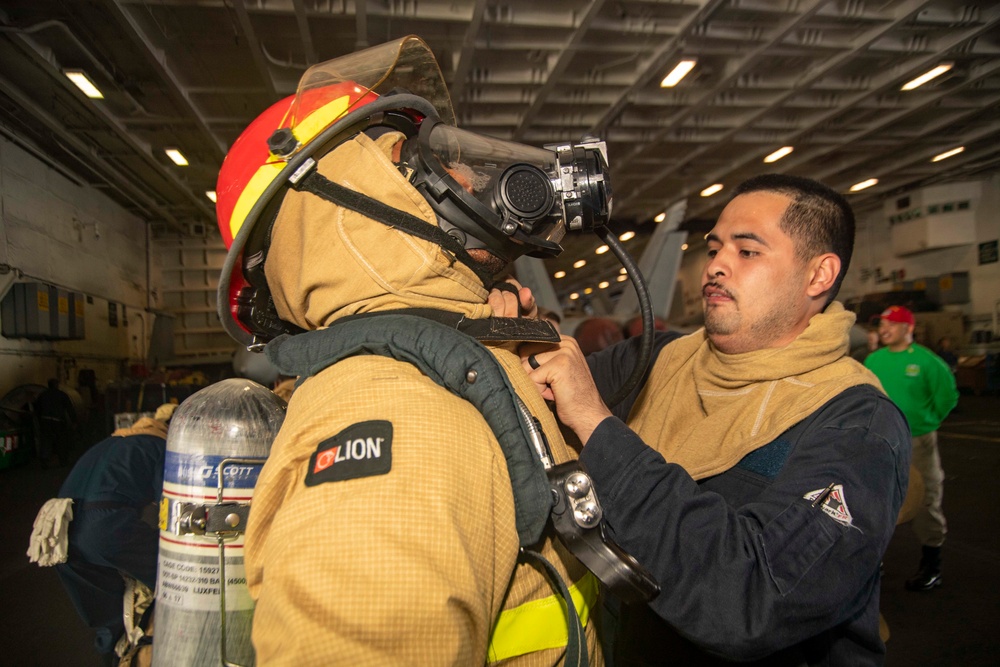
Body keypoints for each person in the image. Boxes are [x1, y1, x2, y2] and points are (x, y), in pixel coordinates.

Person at [214, 37, 607, 665]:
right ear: (340, 203)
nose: (460, 175)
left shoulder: (445, 366)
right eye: (409, 157)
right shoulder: (395, 414)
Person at [503, 174, 911, 665]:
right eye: (715, 248)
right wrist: (515, 333)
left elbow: (752, 599)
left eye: (747, 252)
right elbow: (536, 400)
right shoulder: (661, 358)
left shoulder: (855, 423)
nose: (715, 265)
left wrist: (597, 424)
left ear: (818, 275)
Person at [28, 403, 175, 665]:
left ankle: (113, 655)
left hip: (59, 533)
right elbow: (169, 505)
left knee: (108, 618)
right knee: (174, 581)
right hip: (106, 527)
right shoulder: (160, 446)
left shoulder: (109, 443)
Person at [865, 305, 958, 592]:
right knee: (875, 500)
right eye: (881, 324)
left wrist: (925, 423)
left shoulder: (927, 361)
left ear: (909, 328)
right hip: (880, 440)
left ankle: (932, 567)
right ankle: (871, 564)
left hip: (918, 440)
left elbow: (946, 397)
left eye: (890, 324)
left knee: (926, 498)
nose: (883, 329)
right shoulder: (873, 360)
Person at [33, 378, 77, 467]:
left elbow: (37, 409)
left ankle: (45, 459)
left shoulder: (43, 395)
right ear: (57, 385)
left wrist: (39, 420)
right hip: (58, 421)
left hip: (45, 420)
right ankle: (63, 461)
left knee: (46, 440)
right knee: (61, 440)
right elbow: (70, 408)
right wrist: (74, 421)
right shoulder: (62, 395)